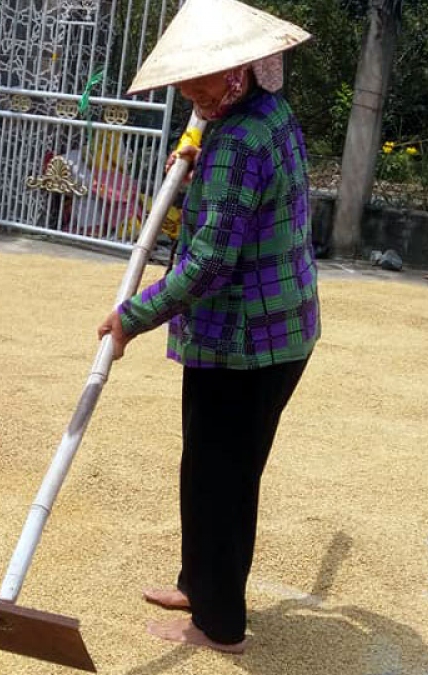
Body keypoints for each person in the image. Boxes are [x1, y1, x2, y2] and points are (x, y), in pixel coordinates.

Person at [94, 0, 320, 655]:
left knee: (222, 478)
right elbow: (210, 133)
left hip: (250, 341)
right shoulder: (254, 110)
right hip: (267, 332)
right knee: (209, 464)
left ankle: (219, 624)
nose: (191, 94)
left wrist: (130, 317)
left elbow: (210, 262)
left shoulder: (240, 139)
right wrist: (193, 143)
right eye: (185, 82)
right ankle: (199, 582)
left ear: (239, 72)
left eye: (202, 81)